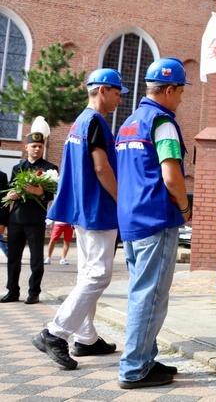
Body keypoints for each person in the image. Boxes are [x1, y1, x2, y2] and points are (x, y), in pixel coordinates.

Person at [32, 68, 127, 371]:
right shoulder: (96, 122)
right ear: (103, 91)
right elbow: (102, 169)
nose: (119, 97)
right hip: (98, 208)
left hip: (82, 209)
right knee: (99, 275)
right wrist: (122, 200)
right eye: (117, 91)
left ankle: (86, 338)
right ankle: (54, 333)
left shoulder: (79, 123)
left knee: (88, 273)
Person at [116, 57, 191, 389]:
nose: (181, 99)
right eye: (180, 92)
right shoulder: (163, 123)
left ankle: (145, 357)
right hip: (156, 219)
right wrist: (186, 207)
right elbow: (171, 175)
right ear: (170, 89)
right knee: (151, 295)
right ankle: (134, 368)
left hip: (131, 219)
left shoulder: (129, 122)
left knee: (141, 292)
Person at [1, 132, 58, 304]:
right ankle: (12, 291)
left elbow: (51, 194)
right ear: (26, 147)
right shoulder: (18, 167)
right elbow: (11, 188)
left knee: (36, 259)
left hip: (35, 220)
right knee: (13, 258)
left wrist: (40, 193)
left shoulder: (50, 168)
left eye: (40, 146)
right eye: (33, 146)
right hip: (16, 219)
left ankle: (34, 292)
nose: (37, 149)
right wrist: (11, 194)